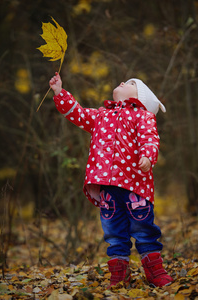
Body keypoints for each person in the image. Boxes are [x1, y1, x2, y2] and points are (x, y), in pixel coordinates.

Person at [49, 72, 173, 288]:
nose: (124, 81)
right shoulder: (101, 115)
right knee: (114, 234)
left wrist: (147, 156)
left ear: (139, 98)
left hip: (135, 186)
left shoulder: (143, 116)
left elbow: (150, 139)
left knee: (144, 230)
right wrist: (60, 92)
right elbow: (76, 113)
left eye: (132, 83)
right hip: (107, 187)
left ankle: (155, 272)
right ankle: (119, 276)